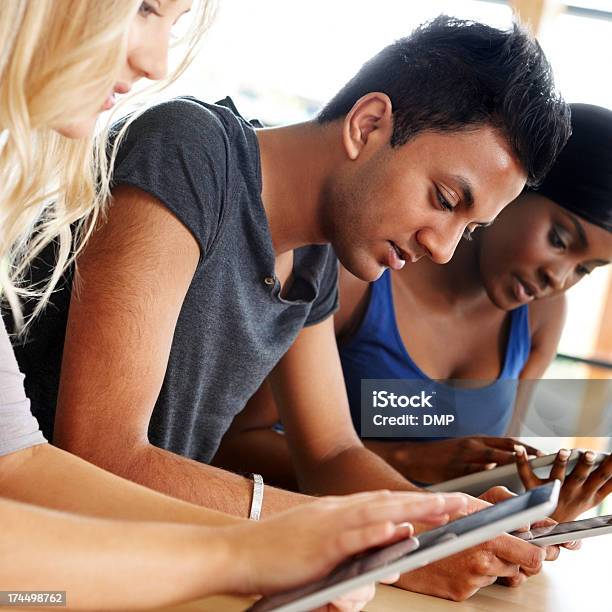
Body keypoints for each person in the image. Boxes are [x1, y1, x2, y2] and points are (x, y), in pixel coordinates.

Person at [11, 16, 570, 601]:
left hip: (147, 567)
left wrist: (442, 521)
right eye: (446, 200)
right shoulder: (189, 152)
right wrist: (374, 550)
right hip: (44, 565)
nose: (443, 246)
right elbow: (102, 452)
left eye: (470, 230)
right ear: (369, 125)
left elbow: (331, 452)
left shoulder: (315, 261)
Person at [216, 104, 612, 526]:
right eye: (559, 239)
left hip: (425, 561)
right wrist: (410, 461)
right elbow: (235, 444)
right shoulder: (359, 272)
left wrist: (538, 510)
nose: (559, 276)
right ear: (511, 189)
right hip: (298, 534)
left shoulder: (540, 317)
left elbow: (492, 476)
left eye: (585, 269)